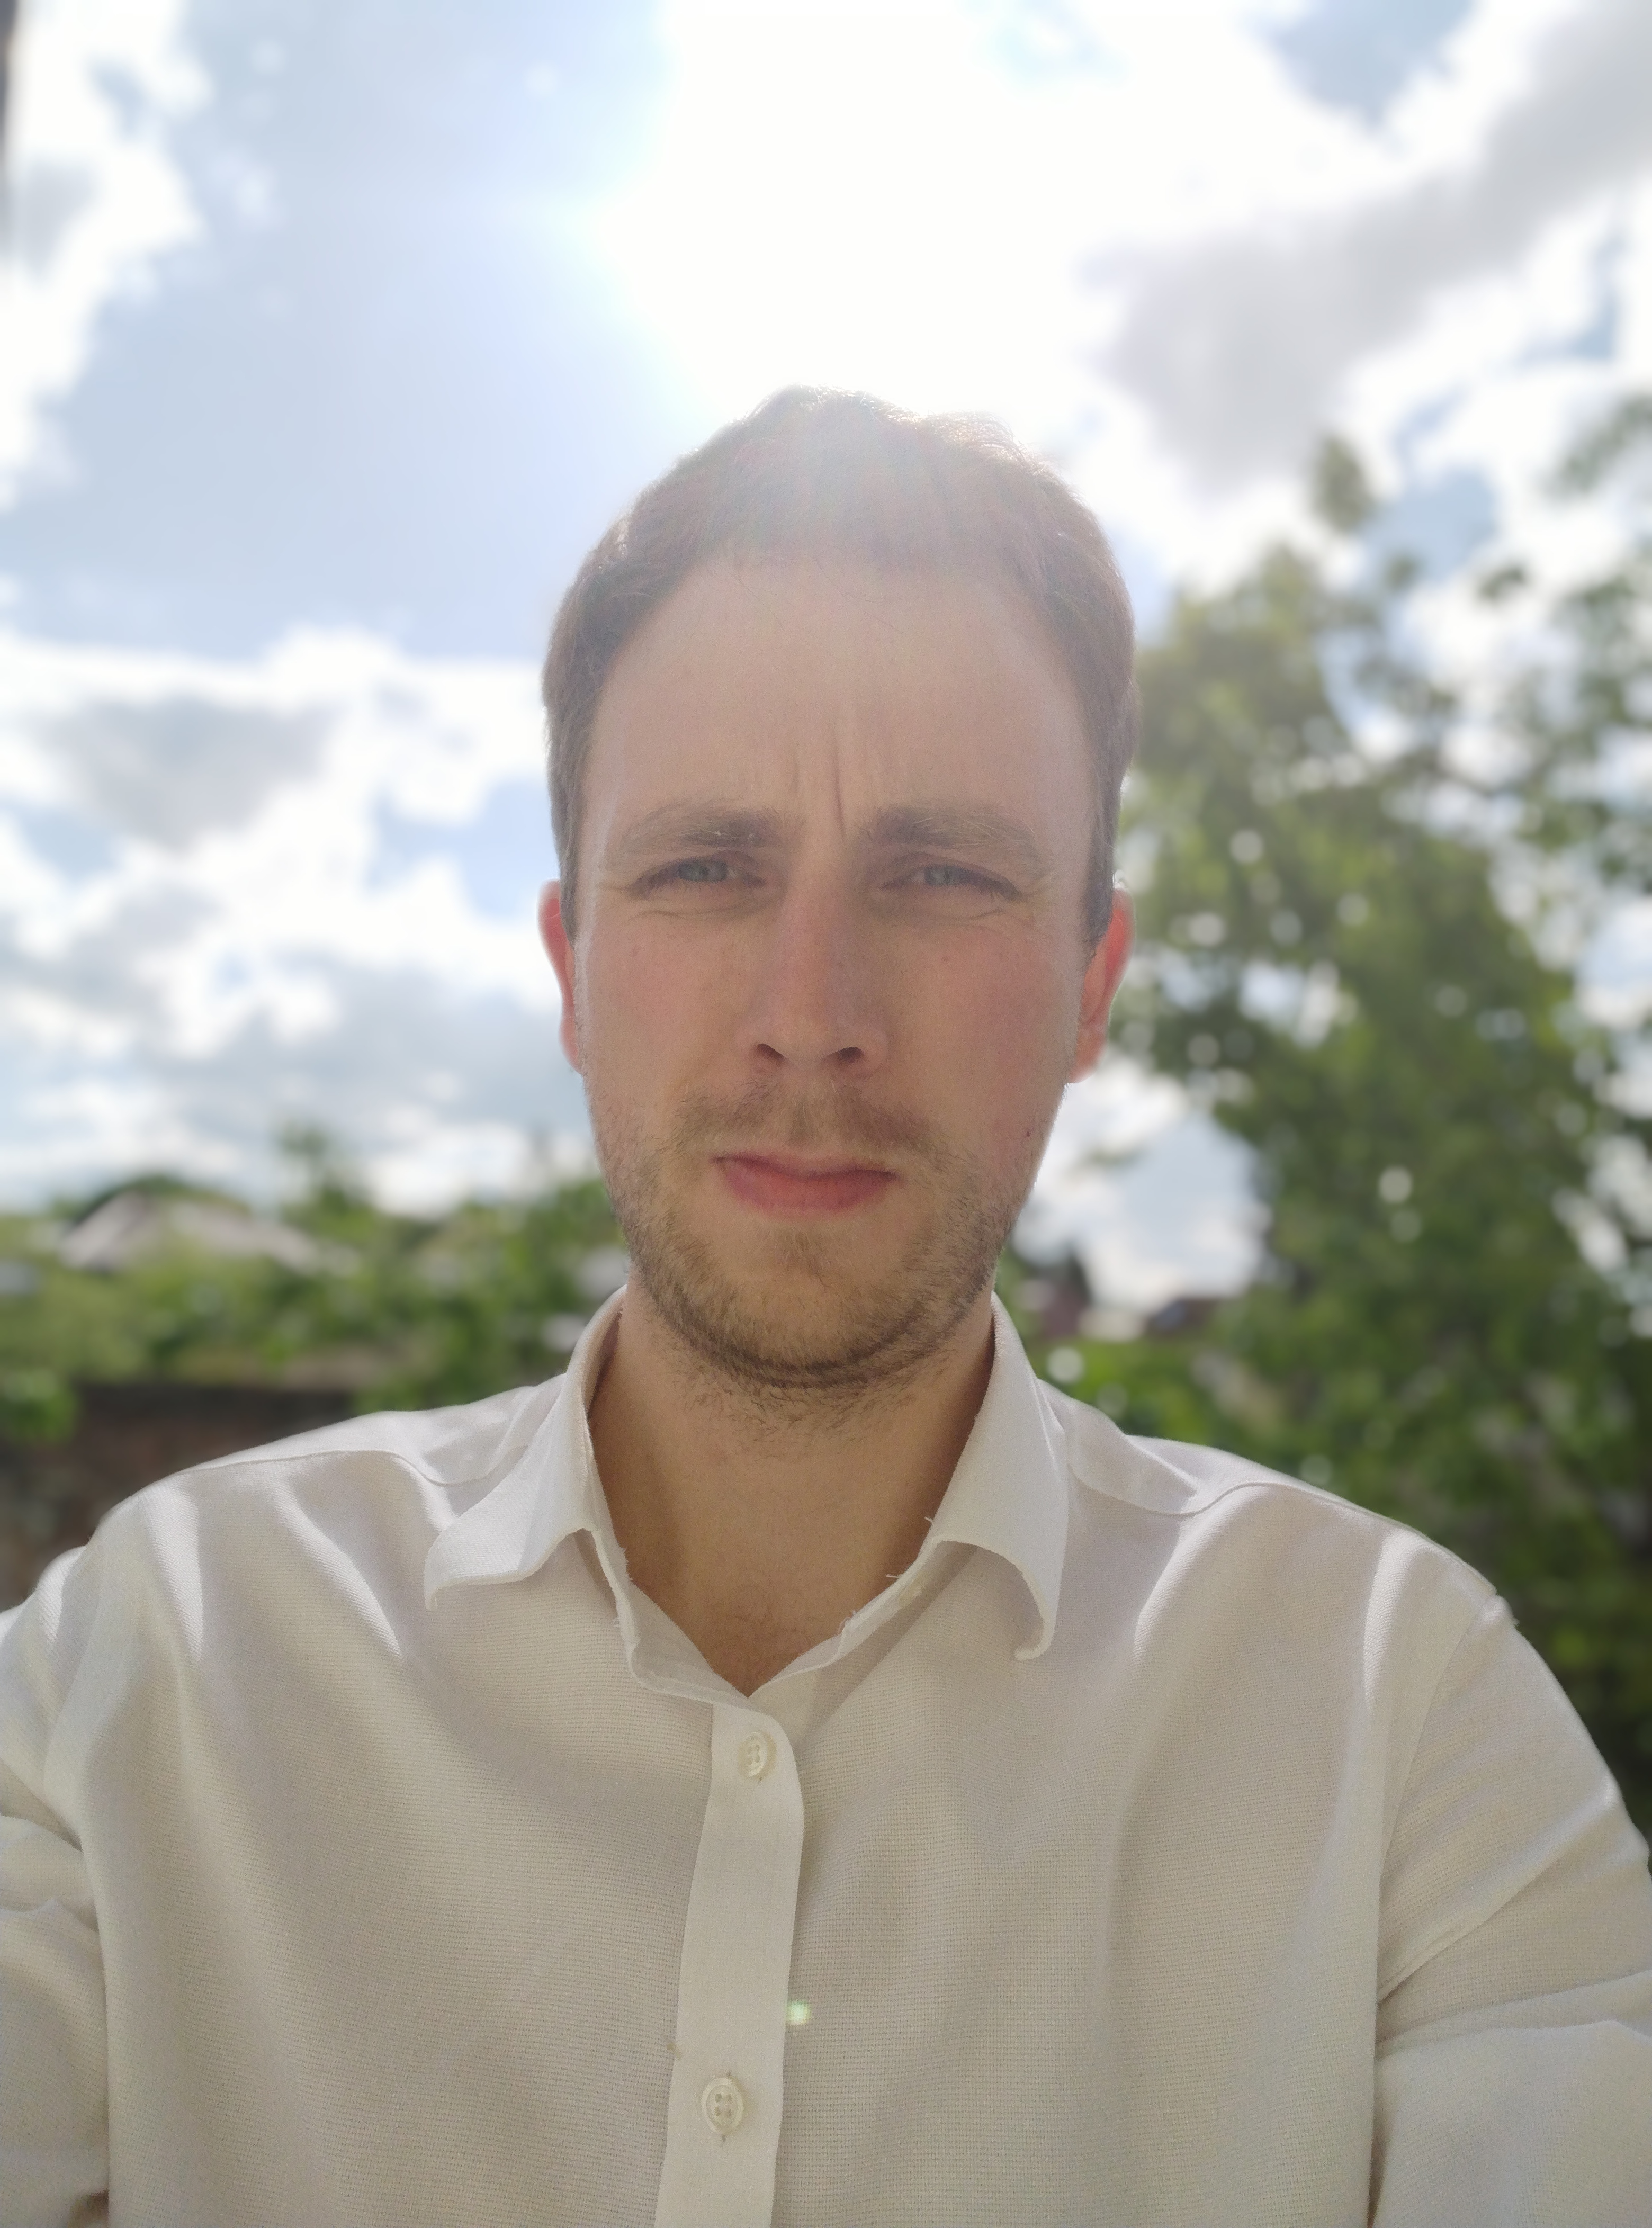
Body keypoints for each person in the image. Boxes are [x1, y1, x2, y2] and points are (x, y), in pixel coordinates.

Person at [2, 390, 1649, 2228]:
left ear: (1092, 985)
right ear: (572, 971)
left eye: (942, 876)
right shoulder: (147, 1667)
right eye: (707, 869)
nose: (812, 1013)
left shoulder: (1405, 1725)